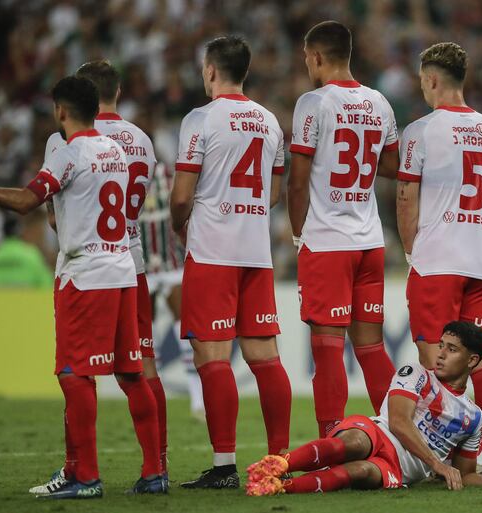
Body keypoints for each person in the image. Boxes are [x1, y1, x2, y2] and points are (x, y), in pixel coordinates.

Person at [0, 76, 164, 498]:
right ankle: (154, 472)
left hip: (86, 274)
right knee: (131, 372)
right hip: (124, 269)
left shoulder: (69, 153)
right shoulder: (117, 152)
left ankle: (86, 477)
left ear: (61, 110)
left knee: (74, 374)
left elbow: (25, 202)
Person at [171, 35, 292, 489]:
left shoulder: (200, 119)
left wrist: (179, 224)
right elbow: (275, 193)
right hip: (254, 252)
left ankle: (224, 466)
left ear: (209, 70)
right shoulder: (270, 121)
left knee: (212, 354)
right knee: (264, 356)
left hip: (212, 250)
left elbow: (182, 194)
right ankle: (281, 458)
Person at [246, 321, 482, 495]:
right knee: (354, 442)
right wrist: (436, 465)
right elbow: (399, 422)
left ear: (472, 360)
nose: (440, 353)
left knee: (361, 473)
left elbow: (464, 474)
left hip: (400, 469)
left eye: (452, 349)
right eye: (441, 345)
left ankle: (282, 487)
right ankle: (279, 464)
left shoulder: (475, 418)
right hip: (379, 434)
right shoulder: (415, 373)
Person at [396, 42, 482, 477]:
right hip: (479, 258)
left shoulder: (422, 130)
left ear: (434, 79)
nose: (422, 87)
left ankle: (436, 458)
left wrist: (409, 251)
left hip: (438, 259)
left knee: (436, 359)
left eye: (423, 80)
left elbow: (407, 198)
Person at [288, 21, 398, 437]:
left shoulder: (313, 103)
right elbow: (390, 165)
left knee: (328, 347)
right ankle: (398, 434)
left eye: (306, 57)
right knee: (370, 346)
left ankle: (330, 439)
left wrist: (299, 234)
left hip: (328, 241)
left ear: (316, 56)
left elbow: (297, 181)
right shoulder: (379, 102)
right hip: (369, 240)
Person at [140, 161, 205, 420]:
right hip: (142, 263)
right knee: (146, 335)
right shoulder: (122, 170)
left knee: (185, 330)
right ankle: (150, 401)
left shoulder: (165, 173)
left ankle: (198, 399)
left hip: (171, 263)